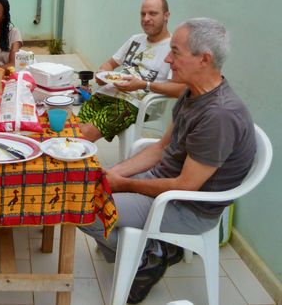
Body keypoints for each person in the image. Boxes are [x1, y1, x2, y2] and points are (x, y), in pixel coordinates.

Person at [79, 18, 256, 303]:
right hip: (166, 183)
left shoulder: (219, 116)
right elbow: (162, 148)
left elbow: (185, 185)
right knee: (90, 185)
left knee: (80, 204)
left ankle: (145, 261)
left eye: (176, 51)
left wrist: (125, 184)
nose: (167, 58)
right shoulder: (193, 91)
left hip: (188, 206)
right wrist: (115, 173)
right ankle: (145, 248)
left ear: (204, 59)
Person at [78, 0, 186, 142]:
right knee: (73, 126)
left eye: (153, 13)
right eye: (143, 14)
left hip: (134, 104)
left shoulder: (173, 48)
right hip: (107, 93)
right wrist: (102, 74)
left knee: (84, 134)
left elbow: (182, 89)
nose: (146, 18)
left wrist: (143, 84)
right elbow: (110, 64)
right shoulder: (136, 39)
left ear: (166, 16)